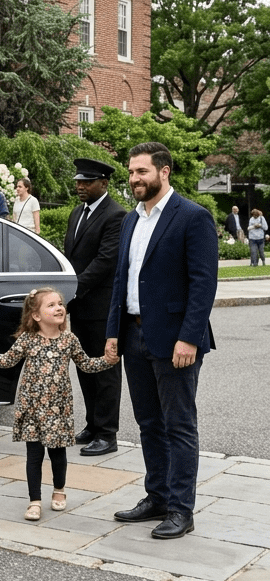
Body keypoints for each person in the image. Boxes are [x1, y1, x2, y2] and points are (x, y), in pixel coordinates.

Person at [105, 141, 218, 540]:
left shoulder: (192, 217)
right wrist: (113, 333)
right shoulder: (131, 220)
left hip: (175, 343)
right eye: (131, 172)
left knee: (179, 426)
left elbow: (204, 285)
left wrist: (188, 339)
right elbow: (123, 278)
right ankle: (158, 496)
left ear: (164, 171)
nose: (134, 179)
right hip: (134, 336)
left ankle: (181, 510)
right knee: (148, 423)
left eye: (142, 172)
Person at [0, 288, 116, 521]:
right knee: (33, 455)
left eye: (60, 304)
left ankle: (59, 490)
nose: (59, 308)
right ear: (36, 316)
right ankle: (34, 501)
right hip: (32, 408)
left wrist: (107, 361)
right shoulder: (27, 339)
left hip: (58, 408)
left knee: (57, 453)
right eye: (51, 305)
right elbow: (7, 361)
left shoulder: (69, 339)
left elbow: (85, 365)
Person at [63, 157, 127, 457]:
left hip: (102, 308)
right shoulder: (77, 213)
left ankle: (107, 433)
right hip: (81, 308)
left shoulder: (116, 215)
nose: (80, 186)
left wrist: (73, 288)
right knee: (85, 369)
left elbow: (105, 261)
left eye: (87, 182)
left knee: (105, 373)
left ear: (104, 183)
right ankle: (92, 424)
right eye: (78, 181)